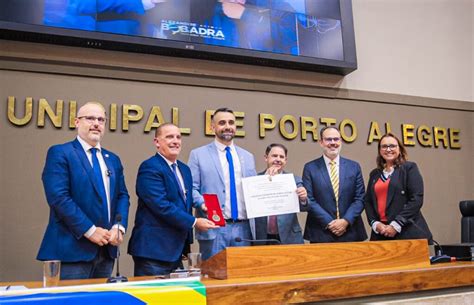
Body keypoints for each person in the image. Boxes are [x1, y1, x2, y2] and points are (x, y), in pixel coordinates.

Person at [37, 102, 130, 279]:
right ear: (76, 122)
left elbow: (122, 195)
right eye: (90, 118)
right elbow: (59, 197)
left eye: (101, 119)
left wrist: (119, 226)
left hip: (106, 252)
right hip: (71, 250)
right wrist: (90, 230)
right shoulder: (61, 153)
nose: (96, 123)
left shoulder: (113, 159)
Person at [128, 123, 217, 276]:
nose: (175, 141)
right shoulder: (150, 167)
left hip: (176, 252)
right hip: (153, 252)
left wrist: (205, 206)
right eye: (169, 137)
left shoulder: (184, 169)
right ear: (157, 142)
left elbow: (184, 205)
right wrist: (194, 222)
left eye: (178, 137)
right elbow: (161, 206)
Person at [188, 107, 257, 260]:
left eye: (231, 122)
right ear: (213, 127)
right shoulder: (198, 155)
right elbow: (191, 188)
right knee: (213, 277)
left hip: (244, 229)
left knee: (243, 277)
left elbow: (254, 189)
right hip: (214, 227)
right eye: (222, 123)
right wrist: (201, 203)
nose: (227, 126)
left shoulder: (248, 156)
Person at [302, 126, 367, 243]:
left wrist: (345, 221)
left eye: (336, 139)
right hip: (321, 232)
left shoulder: (354, 167)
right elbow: (309, 199)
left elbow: (360, 198)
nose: (333, 143)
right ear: (321, 142)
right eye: (328, 139)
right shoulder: (310, 168)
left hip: (351, 231)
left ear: (341, 141)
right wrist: (329, 223)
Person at [365, 133, 433, 242]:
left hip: (407, 231)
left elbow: (416, 199)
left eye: (392, 146)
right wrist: (375, 223)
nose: (388, 149)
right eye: (384, 146)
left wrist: (397, 224)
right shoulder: (375, 174)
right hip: (381, 234)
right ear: (379, 150)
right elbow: (368, 201)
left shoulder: (409, 168)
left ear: (399, 149)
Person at [254, 143, 309, 245]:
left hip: (289, 237)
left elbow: (304, 207)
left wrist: (303, 198)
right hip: (262, 238)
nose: (278, 159)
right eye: (274, 156)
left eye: (282, 157)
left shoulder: (293, 179)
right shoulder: (255, 180)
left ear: (285, 160)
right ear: (266, 158)